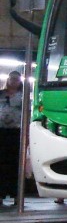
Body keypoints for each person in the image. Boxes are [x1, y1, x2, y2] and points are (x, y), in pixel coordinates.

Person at [0, 71, 23, 205]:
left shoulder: (22, 97)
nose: (14, 81)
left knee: (15, 164)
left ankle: (16, 194)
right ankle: (1, 193)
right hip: (1, 130)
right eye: (12, 79)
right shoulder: (1, 95)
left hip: (16, 132)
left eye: (16, 79)